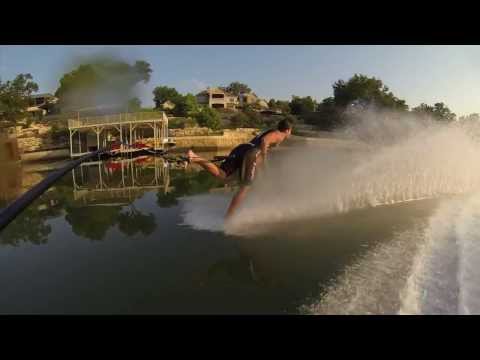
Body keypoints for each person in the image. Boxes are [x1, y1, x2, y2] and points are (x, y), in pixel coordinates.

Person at [185, 119, 293, 219]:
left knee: (224, 176)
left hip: (242, 149)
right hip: (251, 154)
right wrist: (264, 158)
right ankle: (229, 218)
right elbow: (264, 141)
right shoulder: (279, 135)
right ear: (287, 130)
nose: (290, 134)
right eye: (290, 131)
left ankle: (195, 158)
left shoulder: (271, 131)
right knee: (245, 188)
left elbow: (262, 141)